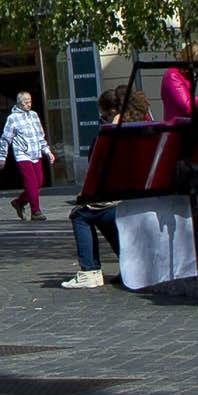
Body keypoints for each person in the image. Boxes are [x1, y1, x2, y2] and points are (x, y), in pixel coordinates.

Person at [58, 86, 147, 289]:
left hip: (120, 199)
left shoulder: (111, 135)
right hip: (137, 199)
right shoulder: (142, 127)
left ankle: (89, 271)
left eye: (103, 115)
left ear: (113, 112)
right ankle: (129, 267)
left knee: (81, 214)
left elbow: (98, 171)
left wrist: (84, 197)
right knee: (99, 208)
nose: (102, 119)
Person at [0, 89, 51, 220]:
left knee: (39, 181)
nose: (29, 104)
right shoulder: (12, 118)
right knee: (31, 182)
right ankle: (36, 211)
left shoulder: (34, 115)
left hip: (35, 152)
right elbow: (5, 138)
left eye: (30, 102)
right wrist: (2, 157)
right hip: (22, 154)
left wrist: (47, 151)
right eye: (26, 102)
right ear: (19, 103)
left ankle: (19, 202)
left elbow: (40, 135)